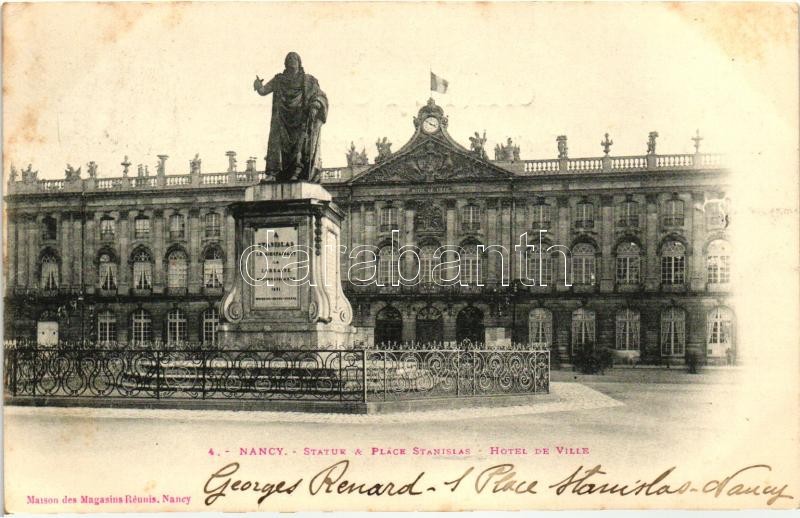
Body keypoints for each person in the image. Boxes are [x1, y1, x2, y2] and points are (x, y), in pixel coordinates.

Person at [254, 52, 328, 183]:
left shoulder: (309, 80)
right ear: (285, 63)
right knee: (276, 144)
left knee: (300, 145)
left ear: (299, 63)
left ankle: (297, 172)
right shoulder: (279, 80)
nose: (291, 61)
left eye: (294, 59)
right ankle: (273, 173)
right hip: (282, 118)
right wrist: (258, 86)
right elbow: (264, 91)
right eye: (289, 59)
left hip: (301, 118)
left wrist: (316, 104)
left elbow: (320, 96)